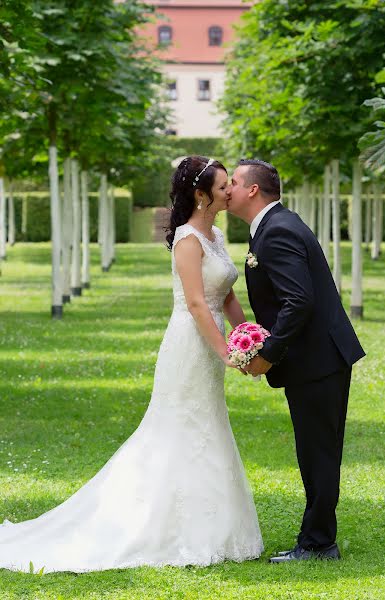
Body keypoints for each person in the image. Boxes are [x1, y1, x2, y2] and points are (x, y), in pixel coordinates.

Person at [0, 156, 263, 573]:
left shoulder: (214, 234)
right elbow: (196, 303)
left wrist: (249, 335)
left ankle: (210, 525)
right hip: (191, 345)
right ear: (201, 194)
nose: (229, 191)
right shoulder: (187, 240)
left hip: (210, 341)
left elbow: (226, 295)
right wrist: (225, 352)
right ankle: (162, 526)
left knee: (209, 423)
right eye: (222, 186)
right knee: (178, 427)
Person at [227, 159, 365, 562]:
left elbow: (298, 300)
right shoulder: (274, 226)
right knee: (316, 448)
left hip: (318, 357)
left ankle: (319, 543)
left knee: (318, 450)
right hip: (318, 355)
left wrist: (269, 353)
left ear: (253, 190)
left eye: (234, 182)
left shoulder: (279, 230)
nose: (229, 189)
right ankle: (319, 538)